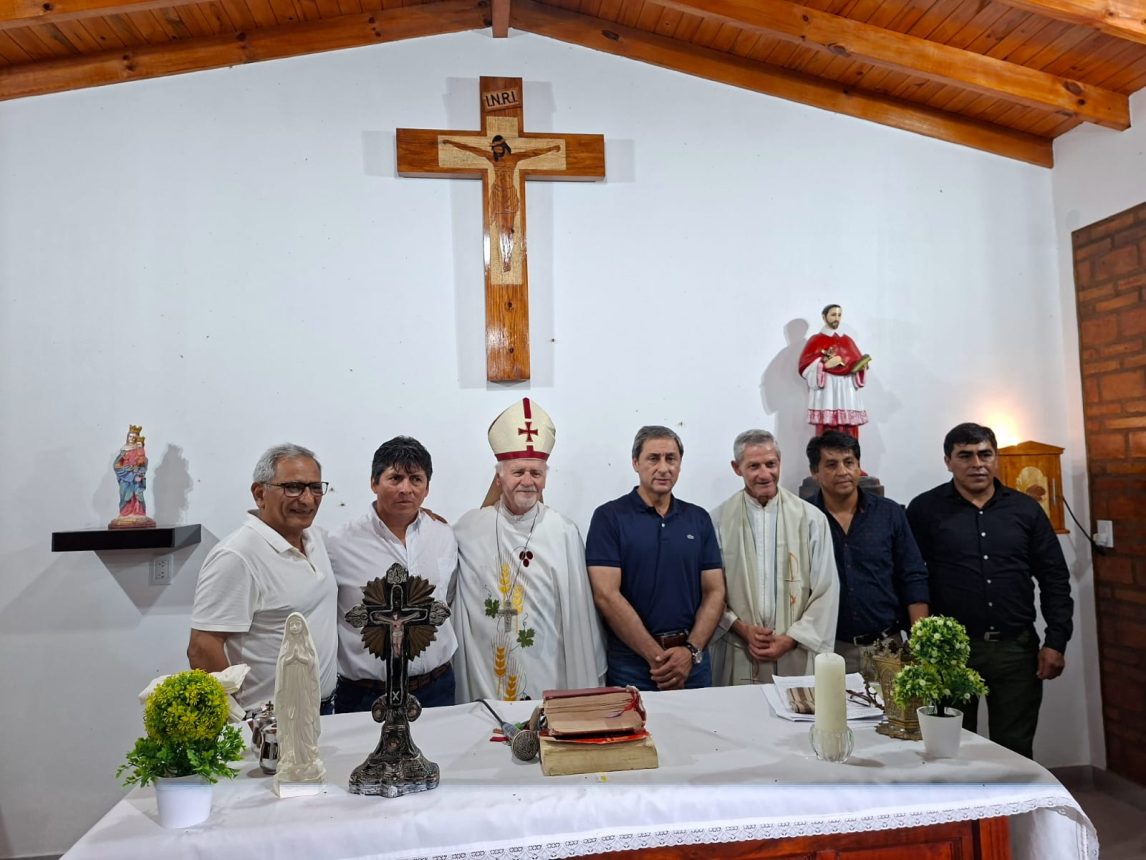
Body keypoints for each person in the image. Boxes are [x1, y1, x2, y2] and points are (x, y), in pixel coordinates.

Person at [906, 422, 1074, 759]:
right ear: (947, 461)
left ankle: (1009, 814)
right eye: (965, 456)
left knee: (1014, 750)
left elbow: (1054, 578)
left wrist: (1056, 640)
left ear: (995, 458)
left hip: (1015, 650)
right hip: (951, 654)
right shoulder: (925, 510)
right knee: (950, 749)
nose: (977, 464)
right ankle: (963, 814)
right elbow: (910, 577)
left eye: (985, 454)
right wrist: (919, 642)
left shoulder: (1025, 510)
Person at [453, 399, 605, 702]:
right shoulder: (469, 529)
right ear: (499, 477)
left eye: (536, 473)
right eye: (518, 471)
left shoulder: (563, 531)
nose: (527, 481)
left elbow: (578, 614)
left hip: (550, 666)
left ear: (545, 478)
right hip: (486, 672)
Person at [188, 443, 338, 714]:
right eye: (293, 487)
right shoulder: (238, 555)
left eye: (315, 488)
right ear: (259, 493)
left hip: (323, 711)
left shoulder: (314, 538)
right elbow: (202, 646)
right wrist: (237, 720)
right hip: (269, 722)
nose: (307, 499)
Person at [586, 426, 724, 691]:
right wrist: (657, 658)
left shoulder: (698, 519)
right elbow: (606, 595)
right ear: (636, 463)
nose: (663, 468)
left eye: (671, 458)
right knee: (636, 733)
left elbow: (715, 591)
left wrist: (689, 651)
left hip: (692, 664)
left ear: (680, 464)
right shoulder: (609, 518)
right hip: (632, 664)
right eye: (653, 458)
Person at [329, 436, 459, 711]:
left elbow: (445, 598)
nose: (406, 489)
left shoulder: (444, 535)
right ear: (374, 482)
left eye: (416, 479)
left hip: (437, 689)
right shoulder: (339, 544)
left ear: (427, 488)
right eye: (395, 478)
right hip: (366, 695)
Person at [710, 430, 838, 684]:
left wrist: (791, 638)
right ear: (737, 468)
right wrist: (741, 628)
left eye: (771, 464)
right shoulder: (717, 521)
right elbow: (710, 591)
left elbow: (826, 589)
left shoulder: (811, 519)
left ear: (780, 462)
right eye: (754, 466)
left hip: (796, 651)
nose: (765, 474)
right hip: (739, 649)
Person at [805, 431, 928, 674]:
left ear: (859, 466)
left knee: (897, 712)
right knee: (832, 712)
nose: (843, 471)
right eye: (831, 464)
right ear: (815, 473)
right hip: (829, 650)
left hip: (888, 645)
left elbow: (913, 575)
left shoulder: (889, 513)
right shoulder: (804, 517)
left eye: (849, 462)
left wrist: (920, 642)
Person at [798, 304, 870, 439]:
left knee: (849, 433)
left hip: (847, 390)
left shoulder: (847, 340)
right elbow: (805, 366)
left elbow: (856, 361)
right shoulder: (816, 340)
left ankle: (850, 458)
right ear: (824, 317)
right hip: (828, 392)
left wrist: (861, 367)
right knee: (828, 433)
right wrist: (824, 365)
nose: (837, 318)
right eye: (833, 315)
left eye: (839, 315)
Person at [109, 424, 156, 528]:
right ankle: (125, 512)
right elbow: (116, 465)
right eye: (130, 436)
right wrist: (125, 469)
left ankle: (138, 513)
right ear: (127, 436)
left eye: (134, 437)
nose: (131, 439)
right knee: (124, 494)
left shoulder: (139, 450)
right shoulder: (123, 450)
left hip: (136, 478)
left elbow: (143, 463)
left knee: (137, 494)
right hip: (125, 478)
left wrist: (139, 473)